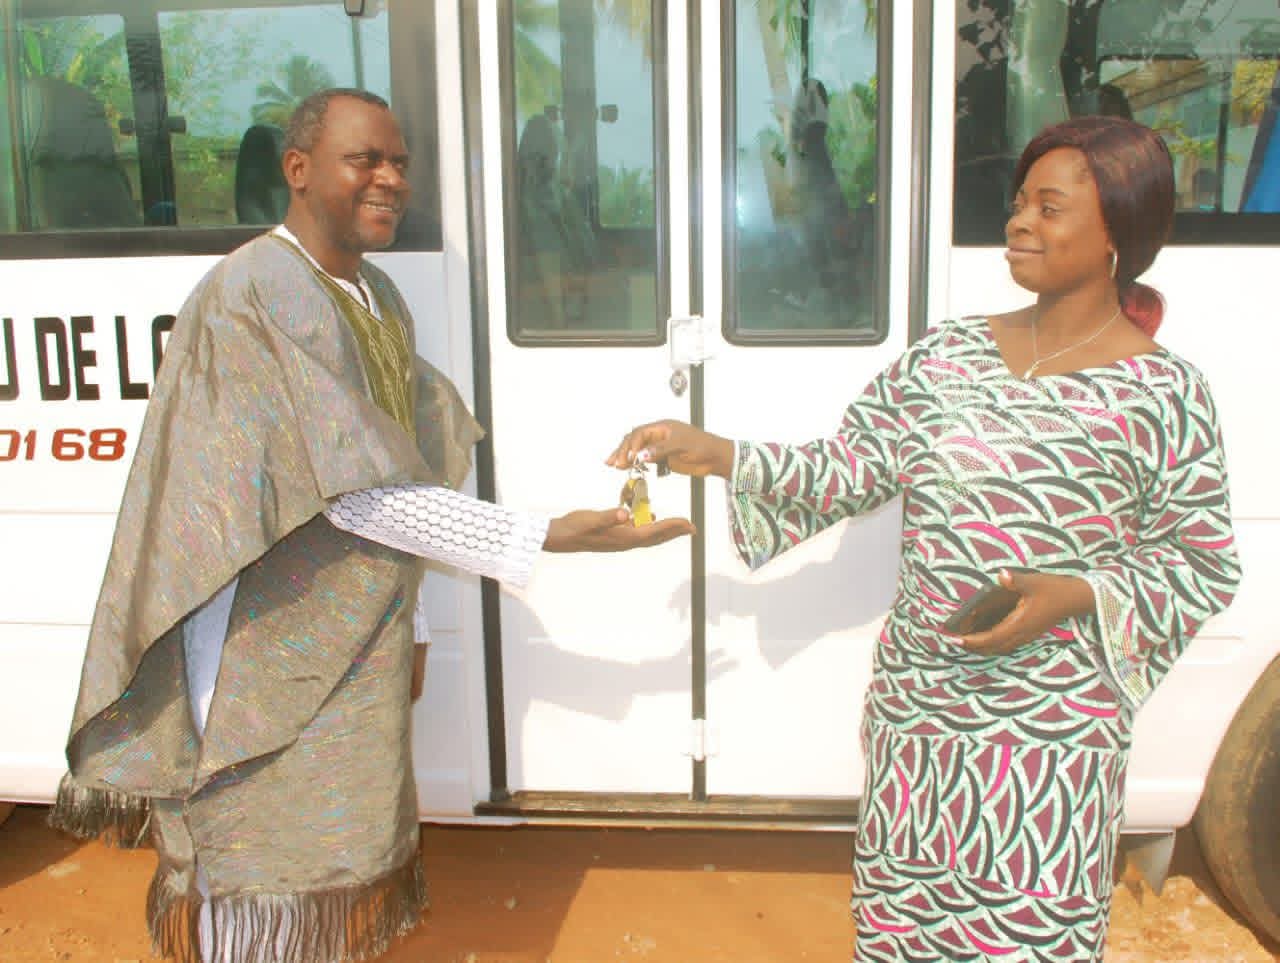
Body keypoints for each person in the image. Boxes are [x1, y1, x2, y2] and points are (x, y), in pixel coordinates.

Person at [50, 88, 691, 963]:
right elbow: (355, 492)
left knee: (330, 860)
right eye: (365, 159)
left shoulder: (377, 295)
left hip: (346, 638)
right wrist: (548, 534)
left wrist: (414, 620)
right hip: (253, 649)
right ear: (298, 169)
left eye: (399, 163)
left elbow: (398, 463)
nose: (390, 179)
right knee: (250, 868)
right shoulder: (256, 291)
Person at [608, 116, 1240, 961]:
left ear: (1116, 234)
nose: (1019, 222)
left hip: (1051, 740)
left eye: (1049, 208)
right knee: (903, 932)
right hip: (922, 717)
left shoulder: (1165, 393)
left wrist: (1076, 593)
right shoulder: (947, 355)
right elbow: (851, 465)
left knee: (1029, 937)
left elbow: (1201, 559)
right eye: (1019, 202)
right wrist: (721, 453)